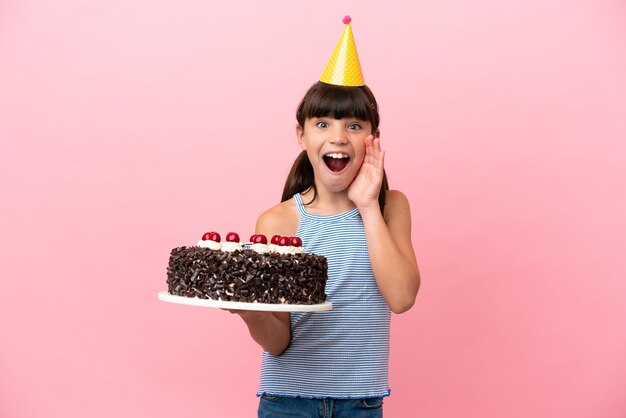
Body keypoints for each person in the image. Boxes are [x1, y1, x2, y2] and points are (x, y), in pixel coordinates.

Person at [231, 17, 420, 417]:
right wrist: (251, 311)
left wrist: (368, 204)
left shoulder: (390, 207)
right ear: (301, 135)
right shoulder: (277, 223)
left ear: (373, 138)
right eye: (322, 123)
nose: (338, 137)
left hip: (361, 403)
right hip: (286, 402)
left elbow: (402, 298)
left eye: (354, 125)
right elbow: (278, 342)